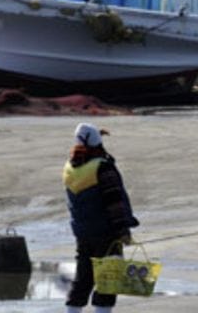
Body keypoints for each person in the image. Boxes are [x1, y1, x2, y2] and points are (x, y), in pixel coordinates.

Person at [63, 122, 139, 313]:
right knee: (108, 281)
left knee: (83, 280)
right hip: (106, 232)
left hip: (83, 233)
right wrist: (123, 230)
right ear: (98, 143)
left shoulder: (70, 168)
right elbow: (114, 201)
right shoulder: (102, 167)